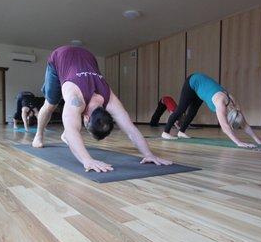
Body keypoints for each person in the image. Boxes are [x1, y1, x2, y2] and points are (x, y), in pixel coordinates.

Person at [32, 45, 172, 172]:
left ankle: (60, 133)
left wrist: (149, 154)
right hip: (59, 57)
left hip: (88, 56)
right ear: (86, 118)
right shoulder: (76, 99)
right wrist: (87, 160)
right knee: (51, 104)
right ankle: (39, 135)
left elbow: (131, 129)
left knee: (70, 124)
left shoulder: (110, 100)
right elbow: (71, 131)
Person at [162, 72, 261, 148]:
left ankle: (181, 132)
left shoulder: (234, 104)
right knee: (181, 109)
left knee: (193, 112)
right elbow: (225, 128)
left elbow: (244, 124)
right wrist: (239, 142)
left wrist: (258, 140)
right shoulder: (220, 104)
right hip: (193, 81)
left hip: (201, 87)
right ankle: (166, 132)